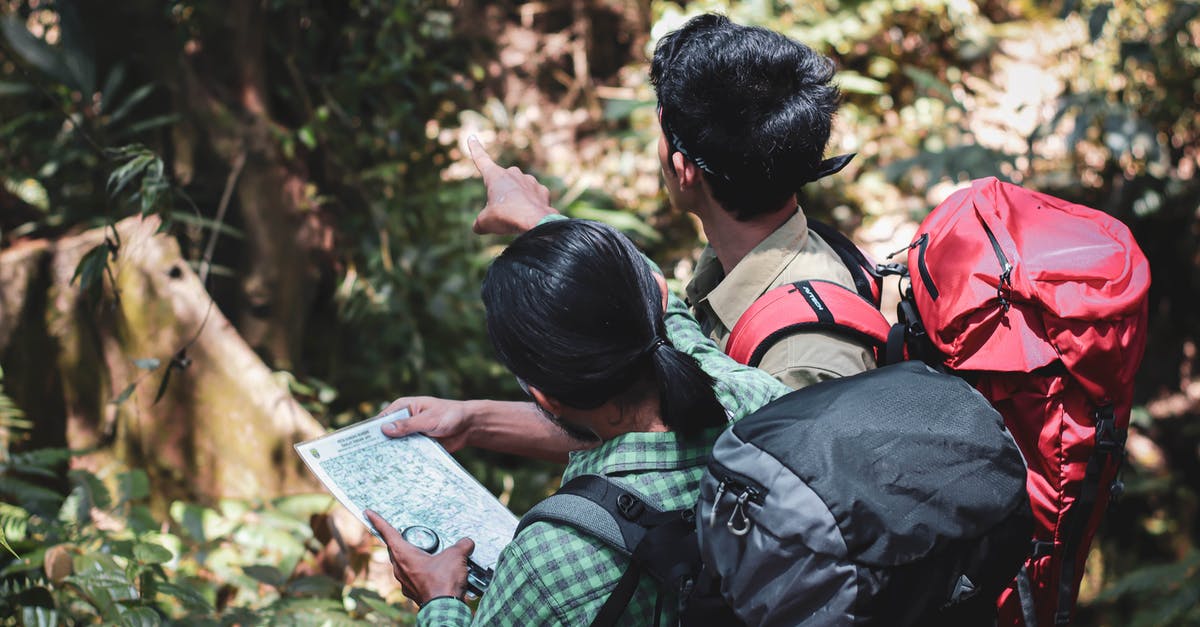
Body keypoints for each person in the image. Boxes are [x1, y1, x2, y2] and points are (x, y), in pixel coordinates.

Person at [367, 218, 789, 625]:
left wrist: (439, 599)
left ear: (543, 396)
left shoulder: (548, 562)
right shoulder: (752, 397)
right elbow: (668, 308)